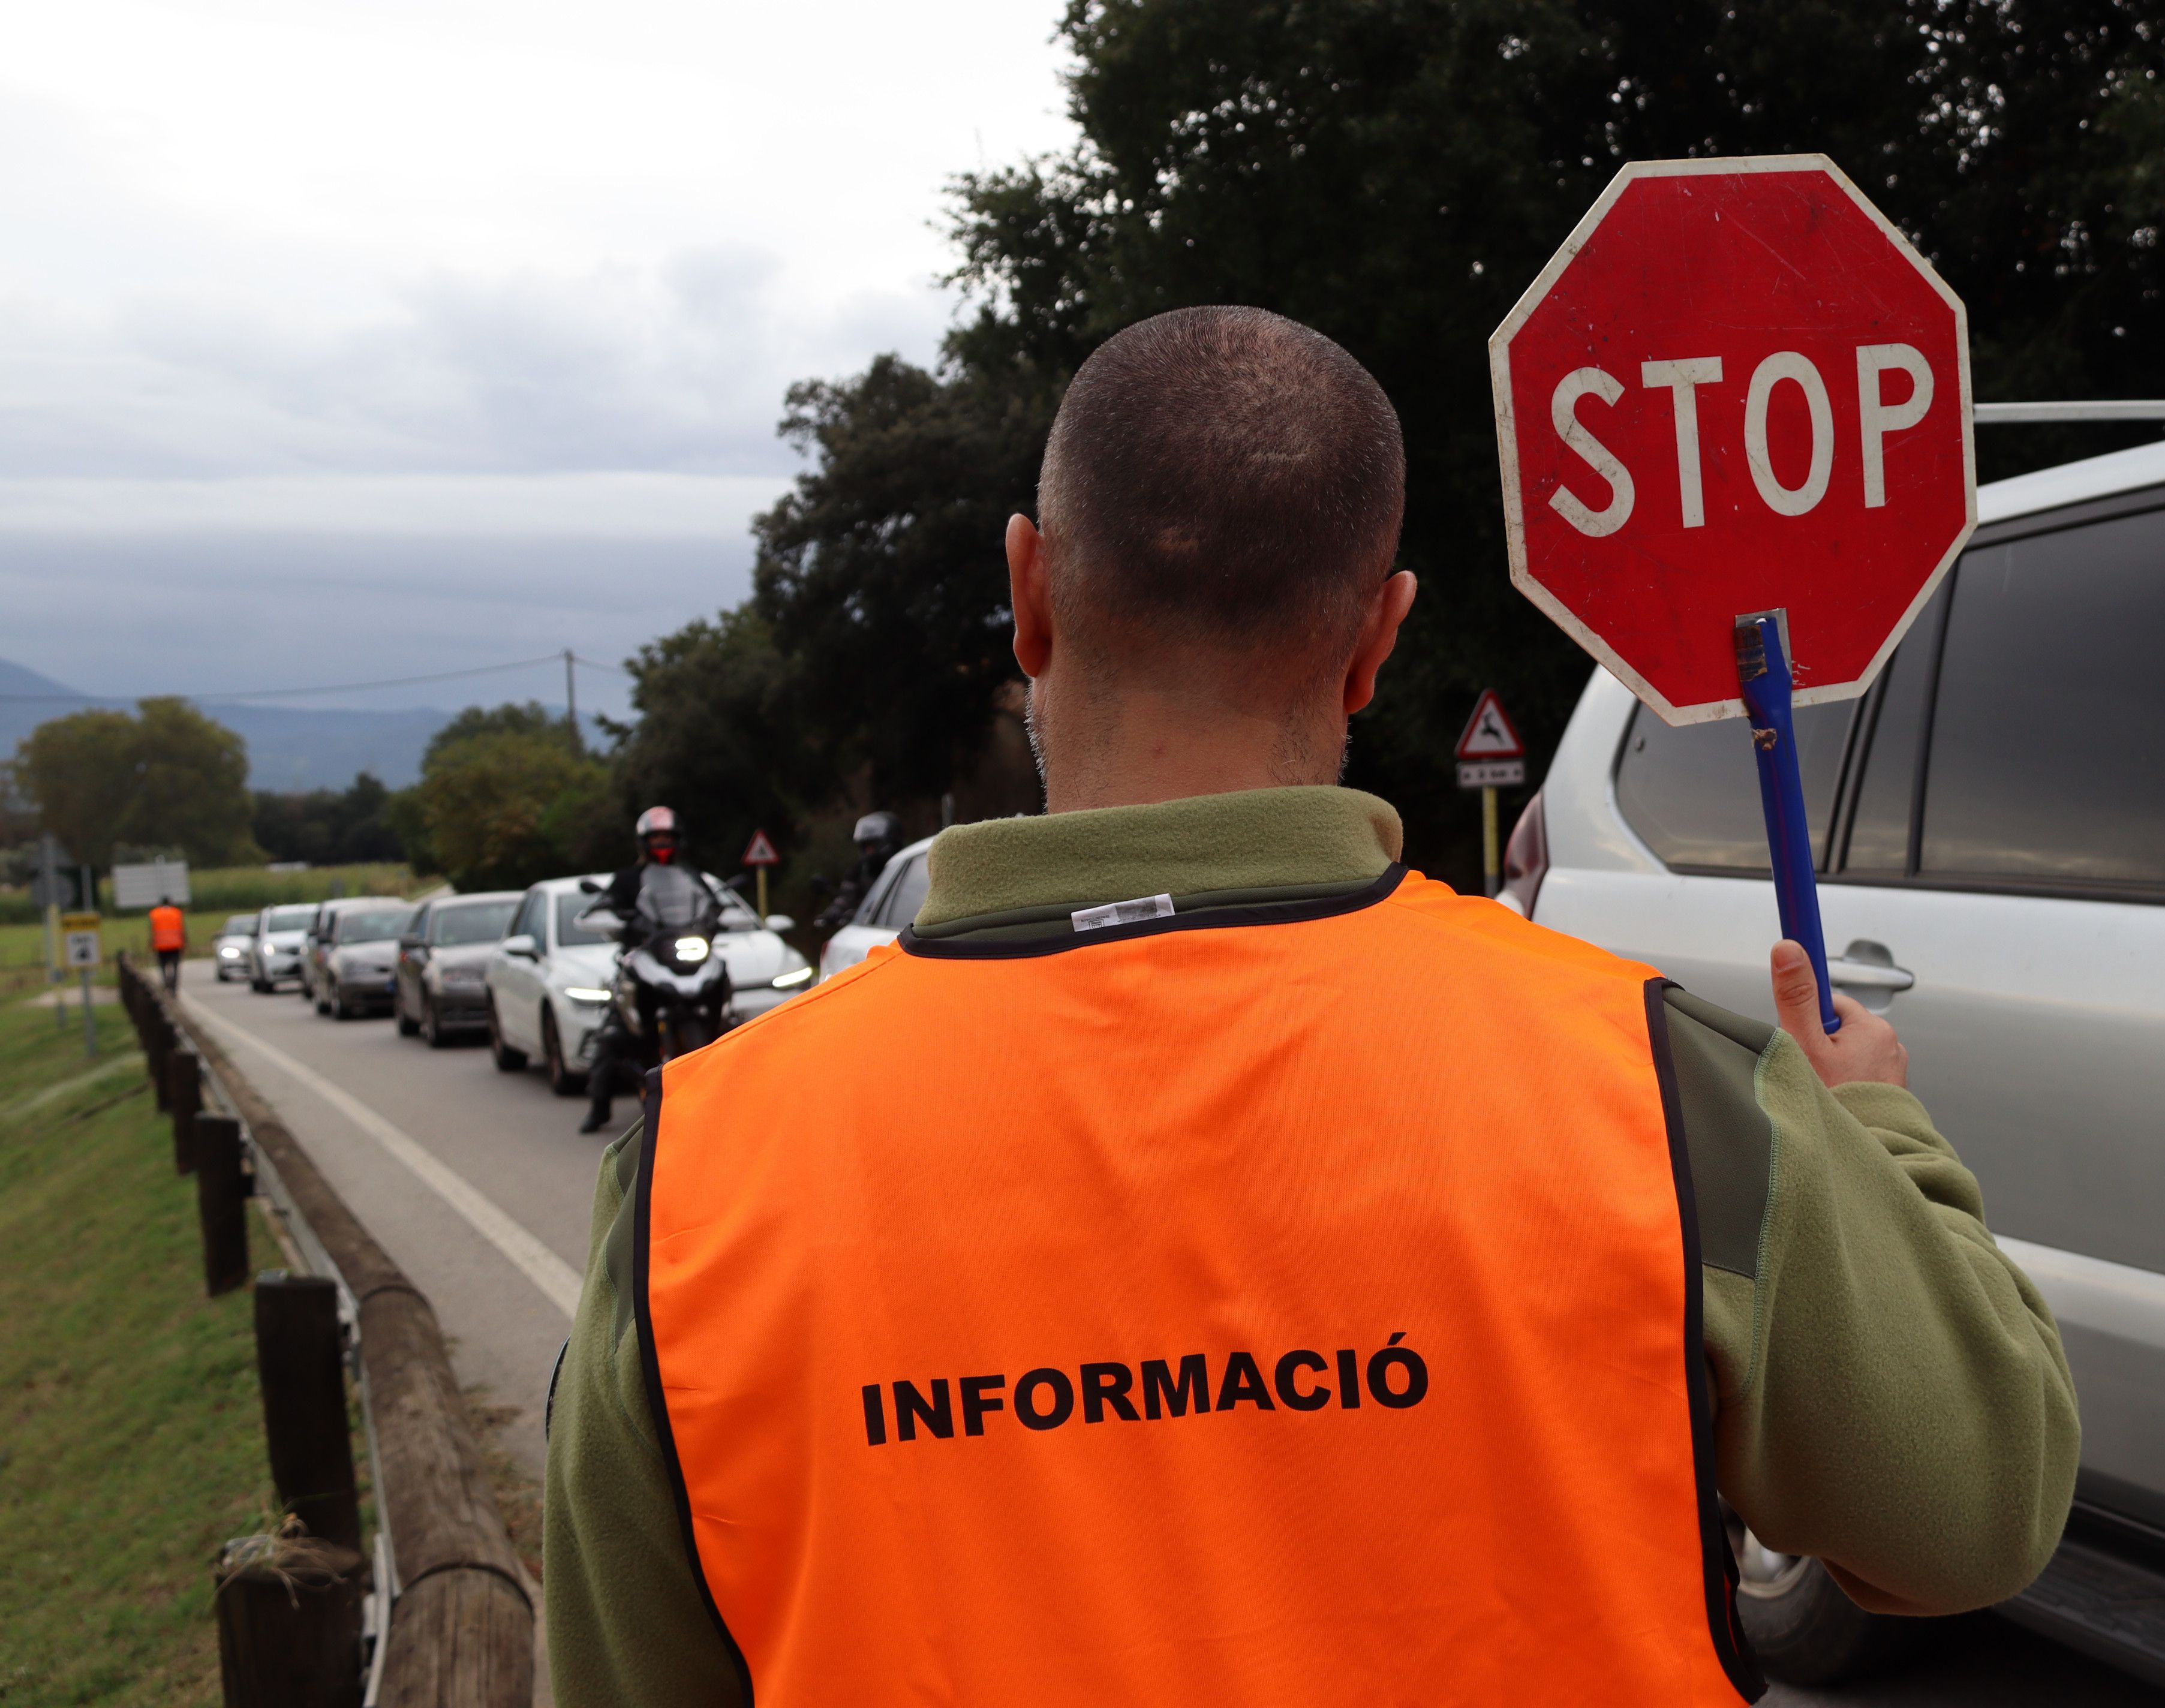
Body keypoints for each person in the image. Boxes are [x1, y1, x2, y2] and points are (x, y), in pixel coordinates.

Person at [545, 308, 2080, 1707]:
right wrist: (1877, 1125)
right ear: (1376, 637)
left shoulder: (695, 1177)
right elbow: (1976, 1510)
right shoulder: (1651, 1084)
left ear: (1029, 594)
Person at [579, 807, 718, 1136]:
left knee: (728, 996)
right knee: (613, 1031)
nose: (661, 843)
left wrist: (715, 918)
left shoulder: (691, 876)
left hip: (684, 954)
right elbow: (606, 905)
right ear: (644, 842)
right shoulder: (628, 878)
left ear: (678, 840)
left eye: (667, 837)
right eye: (656, 837)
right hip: (644, 956)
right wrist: (610, 913)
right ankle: (598, 1107)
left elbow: (711, 905)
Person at [810, 810, 907, 938]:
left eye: (872, 846)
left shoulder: (905, 867)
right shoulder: (858, 871)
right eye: (865, 847)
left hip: (903, 931)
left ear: (889, 841)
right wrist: (836, 911)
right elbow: (846, 896)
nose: (868, 852)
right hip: (873, 936)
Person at [148, 897, 187, 992]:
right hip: (175, 945)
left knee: (163, 966)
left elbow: (152, 930)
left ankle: (166, 984)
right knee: (175, 967)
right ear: (170, 903)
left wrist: (151, 944)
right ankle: (173, 987)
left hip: (161, 946)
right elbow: (182, 929)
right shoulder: (177, 913)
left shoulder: (155, 914)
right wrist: (185, 943)